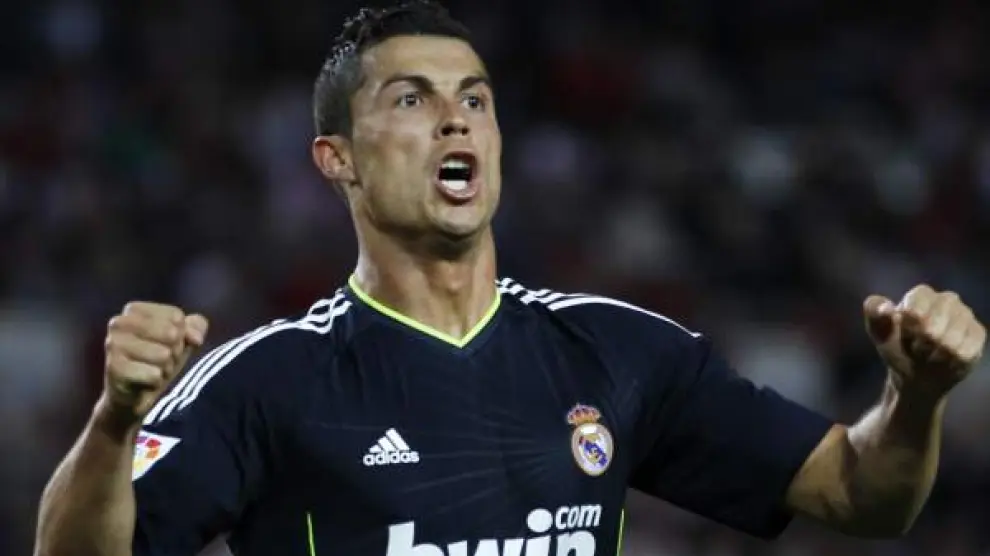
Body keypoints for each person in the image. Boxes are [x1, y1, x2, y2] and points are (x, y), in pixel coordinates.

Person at [34, 2, 987, 556]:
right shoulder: (268, 380)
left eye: (475, 100)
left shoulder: (619, 352)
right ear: (338, 159)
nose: (456, 119)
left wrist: (915, 398)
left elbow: (863, 497)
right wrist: (115, 421)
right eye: (412, 99)